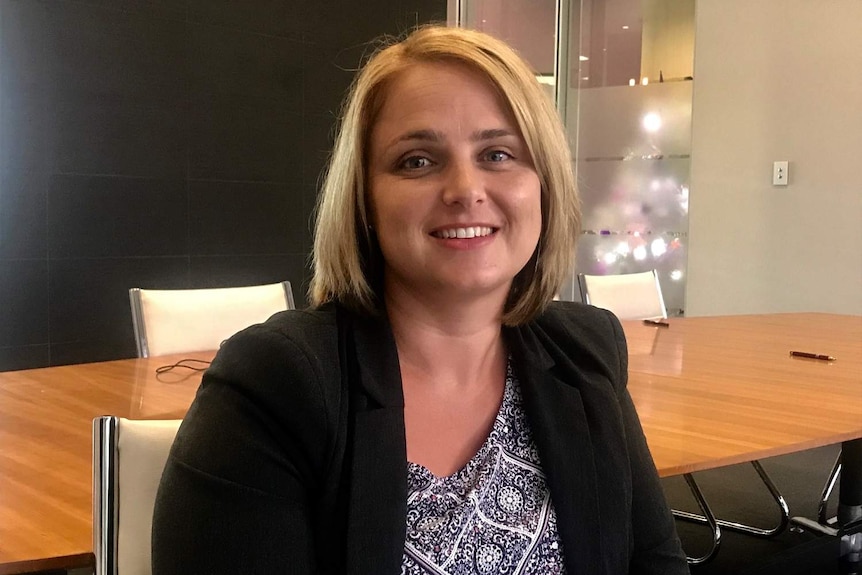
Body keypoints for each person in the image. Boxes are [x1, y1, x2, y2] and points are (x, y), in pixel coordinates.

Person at [152, 25, 689, 575]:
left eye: (499, 153)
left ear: (544, 183)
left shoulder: (587, 350)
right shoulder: (277, 383)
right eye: (417, 161)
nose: (465, 188)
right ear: (364, 198)